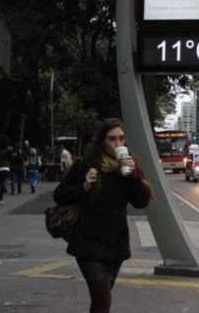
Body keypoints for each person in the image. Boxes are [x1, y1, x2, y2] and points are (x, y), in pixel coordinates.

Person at [54, 118, 153, 313]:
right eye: (112, 139)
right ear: (102, 141)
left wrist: (133, 176)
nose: (118, 144)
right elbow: (59, 195)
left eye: (121, 139)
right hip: (88, 240)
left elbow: (140, 202)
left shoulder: (127, 166)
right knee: (103, 299)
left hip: (115, 241)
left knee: (101, 300)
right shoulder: (86, 165)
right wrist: (84, 186)